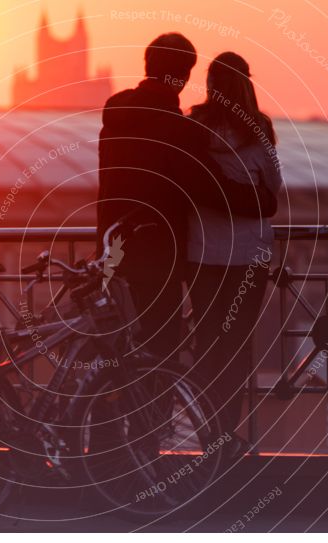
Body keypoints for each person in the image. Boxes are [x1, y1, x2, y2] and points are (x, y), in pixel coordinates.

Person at [96, 34, 276, 362]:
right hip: (159, 255)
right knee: (160, 353)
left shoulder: (115, 116)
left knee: (121, 354)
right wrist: (263, 202)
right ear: (183, 76)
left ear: (147, 65)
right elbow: (211, 188)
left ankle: (116, 411)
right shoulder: (177, 129)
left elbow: (106, 186)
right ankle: (152, 415)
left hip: (113, 254)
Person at [186, 52, 282, 449]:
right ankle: (225, 431)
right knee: (236, 343)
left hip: (202, 254)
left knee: (205, 341)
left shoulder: (193, 126)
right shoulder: (259, 130)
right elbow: (273, 187)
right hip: (249, 257)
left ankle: (204, 426)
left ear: (210, 84)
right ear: (246, 83)